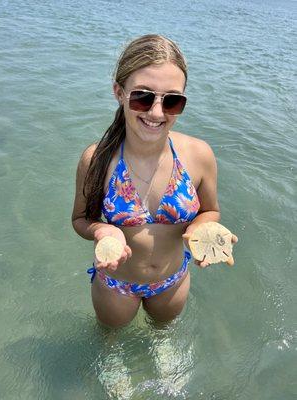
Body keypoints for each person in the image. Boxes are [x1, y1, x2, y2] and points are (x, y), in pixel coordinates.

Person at [72, 34, 236, 328]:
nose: (156, 112)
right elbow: (80, 220)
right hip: (116, 283)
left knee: (164, 335)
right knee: (109, 340)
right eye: (143, 97)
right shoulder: (96, 159)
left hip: (172, 280)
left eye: (172, 101)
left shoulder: (199, 155)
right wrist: (103, 230)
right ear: (119, 92)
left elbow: (210, 209)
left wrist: (203, 228)